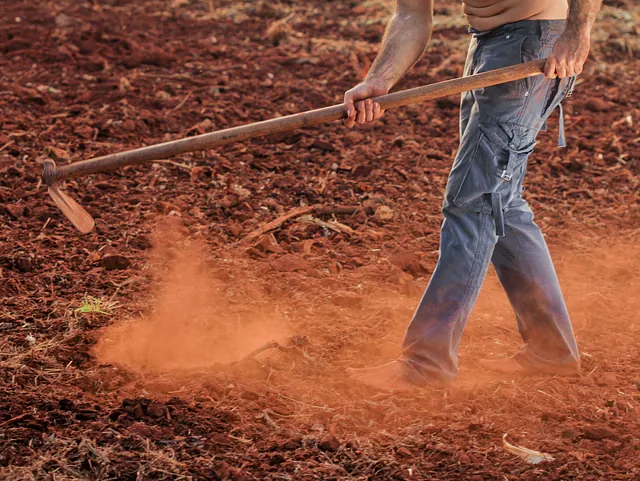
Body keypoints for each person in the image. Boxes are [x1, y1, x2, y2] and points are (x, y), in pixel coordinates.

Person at [344, 0, 603, 390]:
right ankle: (552, 350)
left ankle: (425, 364)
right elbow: (412, 14)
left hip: (536, 44)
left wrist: (577, 33)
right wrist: (379, 79)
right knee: (501, 202)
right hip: (491, 45)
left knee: (474, 202)